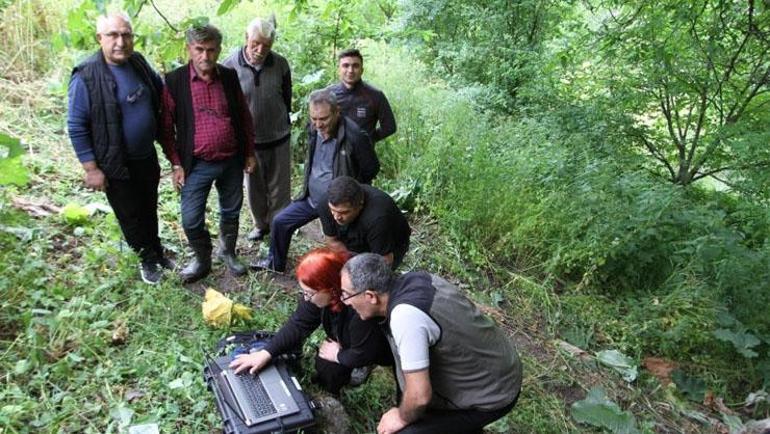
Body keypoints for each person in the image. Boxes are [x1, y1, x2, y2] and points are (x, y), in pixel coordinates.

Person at [341, 254, 523, 434]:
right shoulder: (415, 279)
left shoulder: (405, 317)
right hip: (498, 367)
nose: (345, 302)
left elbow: (419, 397)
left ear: (371, 296)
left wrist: (401, 417)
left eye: (347, 295)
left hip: (493, 394)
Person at [67, 12, 172, 284]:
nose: (120, 42)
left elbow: (159, 91)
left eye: (126, 34)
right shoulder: (86, 76)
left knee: (149, 206)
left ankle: (157, 251)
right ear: (99, 38)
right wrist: (91, 168)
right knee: (130, 214)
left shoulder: (137, 62)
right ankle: (147, 261)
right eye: (113, 35)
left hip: (146, 157)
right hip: (115, 163)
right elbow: (77, 125)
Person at [159, 24, 257, 283]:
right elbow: (166, 128)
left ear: (219, 50)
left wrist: (248, 153)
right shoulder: (175, 81)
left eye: (211, 50)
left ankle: (228, 251)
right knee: (191, 219)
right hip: (196, 163)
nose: (205, 56)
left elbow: (244, 117)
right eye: (199, 50)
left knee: (231, 210)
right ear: (189, 49)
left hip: (231, 160)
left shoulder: (228, 76)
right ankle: (202, 259)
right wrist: (176, 163)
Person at [230, 248, 392, 395]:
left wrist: (339, 355)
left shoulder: (360, 310)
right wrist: (266, 353)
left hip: (375, 347)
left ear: (331, 288)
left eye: (309, 293)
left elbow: (363, 353)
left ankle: (348, 379)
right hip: (347, 335)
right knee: (325, 364)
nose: (306, 298)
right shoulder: (326, 291)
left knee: (333, 363)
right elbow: (299, 323)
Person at [251, 89, 379, 273]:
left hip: (340, 204)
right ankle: (275, 263)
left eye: (324, 119)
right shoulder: (313, 129)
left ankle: (356, 274)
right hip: (312, 198)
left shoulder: (355, 136)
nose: (318, 124)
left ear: (337, 112)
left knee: (347, 245)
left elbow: (371, 168)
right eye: (314, 118)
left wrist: (351, 194)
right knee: (280, 222)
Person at [222, 16, 292, 243]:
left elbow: (286, 97)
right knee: (254, 188)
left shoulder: (280, 64)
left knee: (280, 188)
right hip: (248, 143)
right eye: (255, 43)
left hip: (279, 136)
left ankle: (278, 227)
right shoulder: (229, 66)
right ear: (246, 38)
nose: (260, 50)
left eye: (266, 45)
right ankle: (260, 225)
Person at [318, 176, 411, 269]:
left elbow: (385, 261)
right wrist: (349, 267)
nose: (336, 217)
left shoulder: (378, 217)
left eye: (344, 212)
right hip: (353, 237)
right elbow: (332, 241)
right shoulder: (325, 203)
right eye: (332, 210)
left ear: (360, 205)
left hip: (389, 244)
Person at [327, 48, 396, 144]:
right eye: (345, 66)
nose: (350, 70)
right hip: (335, 154)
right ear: (339, 69)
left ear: (362, 70)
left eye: (355, 66)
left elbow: (390, 127)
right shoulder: (328, 94)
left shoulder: (375, 96)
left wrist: (368, 139)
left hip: (363, 156)